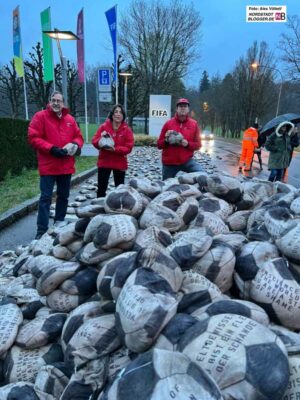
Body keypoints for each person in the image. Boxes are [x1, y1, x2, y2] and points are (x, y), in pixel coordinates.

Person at [28, 91, 84, 239]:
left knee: (63, 196)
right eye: (53, 100)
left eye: (59, 101)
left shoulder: (70, 119)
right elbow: (33, 137)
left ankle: (59, 222)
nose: (56, 103)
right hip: (48, 165)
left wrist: (75, 145)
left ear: (63, 103)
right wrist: (51, 149)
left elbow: (79, 136)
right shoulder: (40, 117)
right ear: (49, 101)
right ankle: (41, 230)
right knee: (45, 198)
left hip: (65, 164)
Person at [92, 104, 134, 197]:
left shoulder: (127, 130)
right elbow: (94, 141)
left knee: (119, 190)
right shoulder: (104, 127)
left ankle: (118, 209)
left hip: (119, 163)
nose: (118, 114)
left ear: (123, 116)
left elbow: (129, 147)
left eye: (120, 112)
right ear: (112, 114)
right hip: (104, 161)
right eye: (116, 112)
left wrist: (115, 149)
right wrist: (101, 142)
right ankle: (99, 206)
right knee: (101, 189)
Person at [157, 98, 202, 180]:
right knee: (166, 186)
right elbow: (159, 144)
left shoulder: (194, 124)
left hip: (186, 161)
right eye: (180, 106)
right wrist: (167, 141)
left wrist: (187, 144)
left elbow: (198, 145)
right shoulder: (168, 123)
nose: (183, 108)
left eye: (185, 106)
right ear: (176, 109)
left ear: (188, 109)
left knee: (201, 175)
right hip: (169, 162)